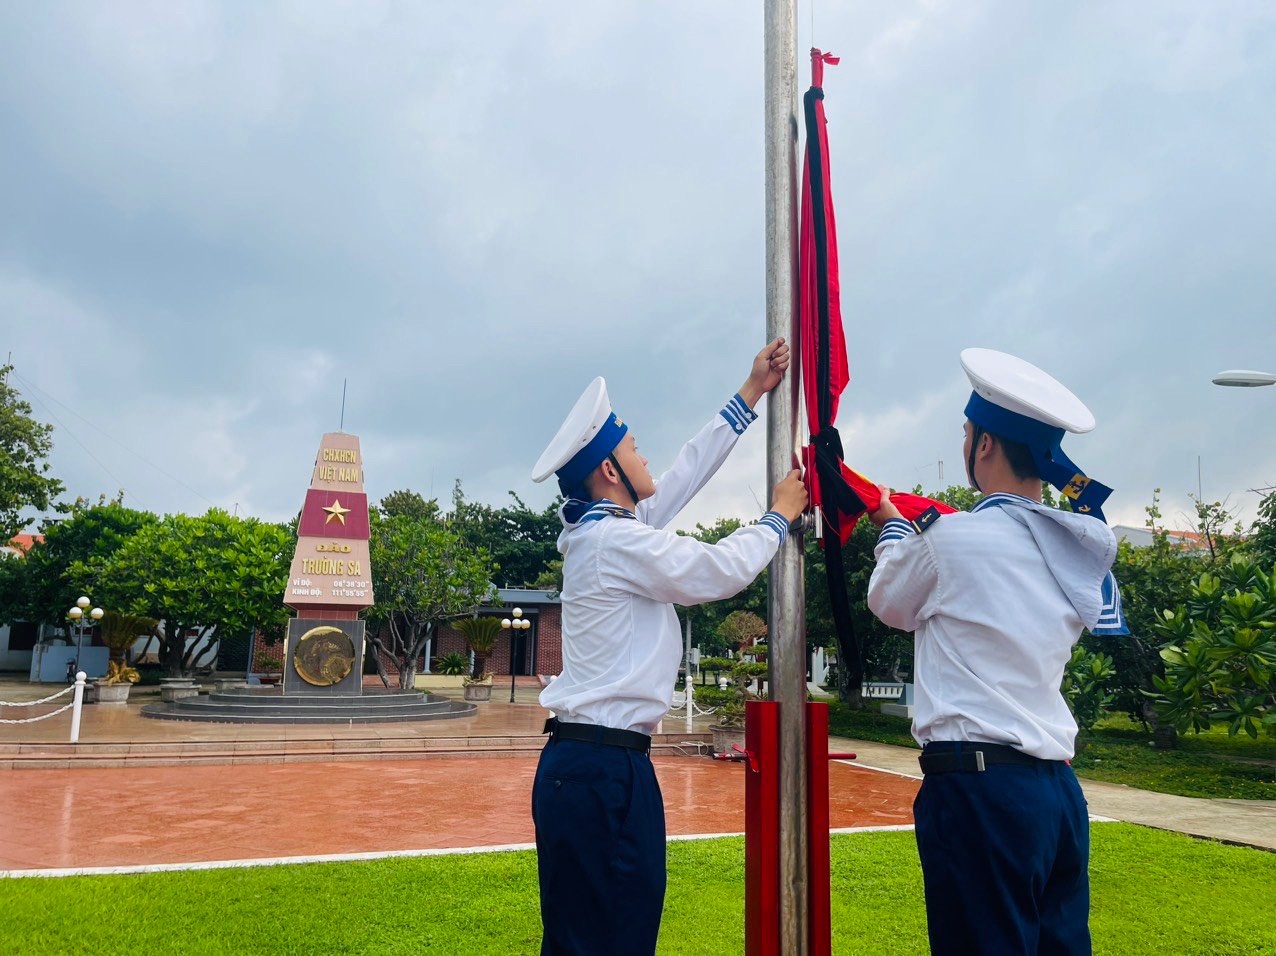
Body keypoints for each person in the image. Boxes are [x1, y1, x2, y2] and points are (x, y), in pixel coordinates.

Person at [528, 338, 808, 956]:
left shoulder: (606, 534)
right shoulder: (615, 544)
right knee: (615, 940)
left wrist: (751, 392)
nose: (643, 453)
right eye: (631, 448)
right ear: (609, 471)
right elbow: (718, 571)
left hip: (590, 766)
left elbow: (682, 472)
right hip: (605, 771)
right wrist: (778, 516)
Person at [865, 348, 1128, 956]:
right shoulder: (1074, 548)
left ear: (984, 446)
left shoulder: (951, 539)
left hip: (980, 792)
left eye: (966, 433)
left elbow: (889, 601)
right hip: (1057, 793)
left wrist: (892, 525)